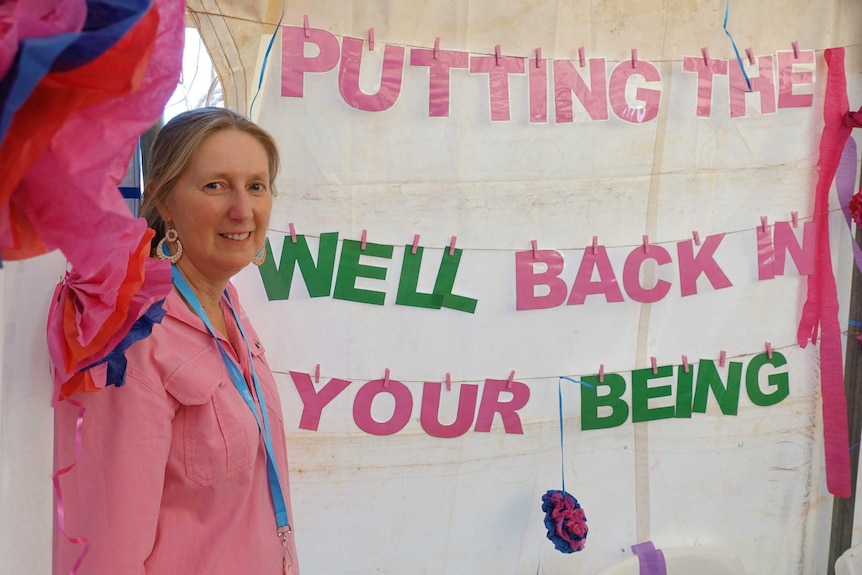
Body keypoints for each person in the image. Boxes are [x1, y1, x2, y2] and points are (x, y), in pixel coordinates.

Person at [53, 107, 299, 575]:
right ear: (164, 200)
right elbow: (109, 551)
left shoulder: (226, 303)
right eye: (215, 185)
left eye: (255, 186)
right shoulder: (134, 337)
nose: (242, 210)